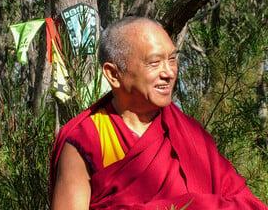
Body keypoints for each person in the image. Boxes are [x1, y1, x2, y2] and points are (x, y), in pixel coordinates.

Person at [49, 17, 267, 209]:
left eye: (172, 59)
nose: (169, 72)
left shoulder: (189, 133)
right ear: (113, 74)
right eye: (155, 62)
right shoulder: (87, 139)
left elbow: (246, 202)